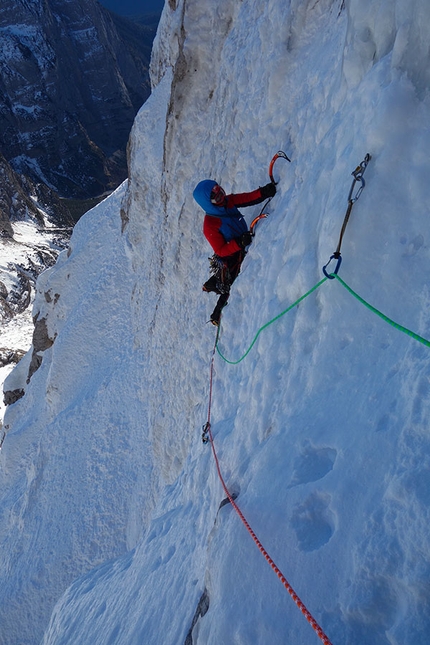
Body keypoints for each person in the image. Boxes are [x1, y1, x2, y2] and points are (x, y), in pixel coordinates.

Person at [193, 179, 276, 325]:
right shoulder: (210, 226)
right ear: (209, 202)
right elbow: (220, 250)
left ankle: (212, 284)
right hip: (230, 255)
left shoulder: (227, 201)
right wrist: (238, 243)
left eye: (221, 192)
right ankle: (216, 315)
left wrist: (263, 192)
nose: (222, 197)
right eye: (217, 197)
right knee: (229, 285)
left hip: (240, 242)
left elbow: (246, 198)